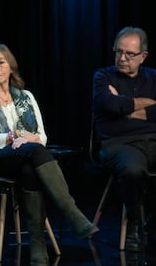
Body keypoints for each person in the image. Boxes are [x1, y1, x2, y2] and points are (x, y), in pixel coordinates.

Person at [0, 43, 99, 266]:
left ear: (10, 67)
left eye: (1, 63)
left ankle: (37, 243)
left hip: (25, 157)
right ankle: (71, 212)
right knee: (33, 151)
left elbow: (42, 137)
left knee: (30, 169)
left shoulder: (25, 96)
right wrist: (13, 137)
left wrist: (25, 140)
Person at [92, 26, 156, 252]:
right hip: (118, 144)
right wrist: (146, 105)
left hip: (153, 141)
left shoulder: (153, 77)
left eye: (129, 54)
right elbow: (111, 105)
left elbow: (120, 106)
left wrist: (125, 107)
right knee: (133, 170)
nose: (122, 58)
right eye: (118, 52)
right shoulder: (102, 76)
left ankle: (150, 219)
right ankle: (135, 226)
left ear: (143, 56)